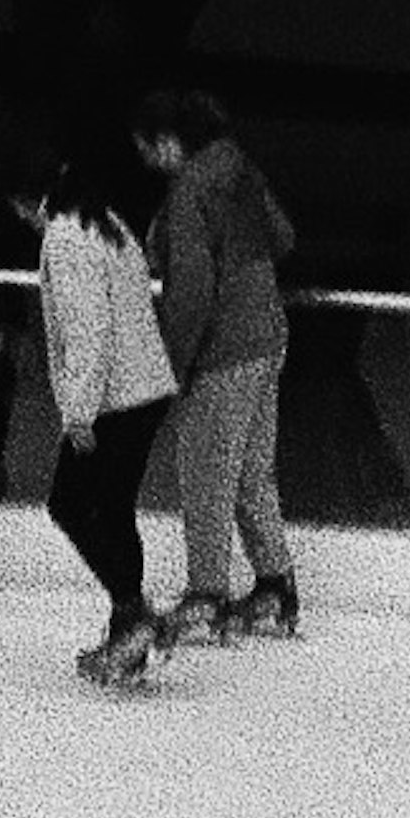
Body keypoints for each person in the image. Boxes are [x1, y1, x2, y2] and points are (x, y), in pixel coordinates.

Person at [134, 88, 301, 643]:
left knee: (206, 474)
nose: (145, 159)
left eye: (146, 146)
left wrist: (172, 367)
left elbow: (190, 295)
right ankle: (275, 587)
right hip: (268, 336)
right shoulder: (239, 170)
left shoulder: (188, 194)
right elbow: (283, 236)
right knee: (252, 471)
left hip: (224, 352)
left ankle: (206, 597)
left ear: (166, 141)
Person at [19, 152, 177, 687]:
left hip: (116, 397)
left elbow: (89, 332)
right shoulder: (105, 222)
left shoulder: (65, 239)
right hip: (145, 389)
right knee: (112, 509)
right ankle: (125, 634)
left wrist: (79, 413)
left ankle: (134, 615)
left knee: (67, 503)